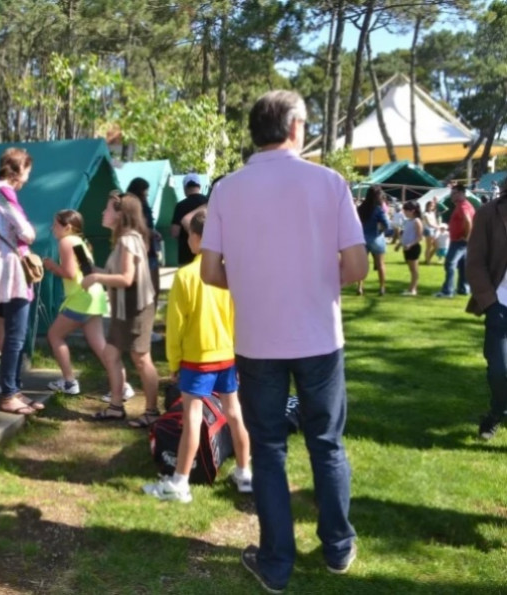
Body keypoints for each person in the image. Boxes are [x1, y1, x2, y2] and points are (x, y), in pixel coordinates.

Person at [201, 90, 366, 592]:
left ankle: (276, 562)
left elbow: (210, 271)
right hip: (318, 334)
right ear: (294, 127)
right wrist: (312, 281)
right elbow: (357, 266)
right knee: (326, 443)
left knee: (269, 450)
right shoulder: (328, 181)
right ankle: (337, 547)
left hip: (257, 339)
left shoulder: (227, 189)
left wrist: (255, 283)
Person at [143, 210, 252, 503]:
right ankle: (245, 473)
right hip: (227, 356)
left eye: (190, 234)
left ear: (197, 238)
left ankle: (180, 482)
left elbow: (175, 325)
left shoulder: (186, 275)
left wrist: (174, 362)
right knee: (234, 413)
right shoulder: (230, 272)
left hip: (196, 359)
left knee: (192, 418)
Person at [83, 192, 160, 428]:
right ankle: (116, 407)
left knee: (141, 358)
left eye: (107, 210)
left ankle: (152, 411)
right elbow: (115, 275)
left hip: (135, 308)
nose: (103, 213)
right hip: (123, 308)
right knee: (111, 354)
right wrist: (91, 268)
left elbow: (127, 279)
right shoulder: (126, 239)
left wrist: (96, 276)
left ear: (120, 215)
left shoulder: (128, 240)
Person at [0, 148, 44, 415]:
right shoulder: (4, 192)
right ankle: (9, 393)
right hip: (13, 270)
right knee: (16, 336)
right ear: (17, 170)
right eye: (26, 173)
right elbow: (27, 233)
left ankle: (15, 390)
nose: (27, 179)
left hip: (3, 268)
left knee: (13, 335)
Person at [43, 210, 110, 395]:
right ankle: (121, 385)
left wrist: (51, 266)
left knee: (54, 335)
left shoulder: (65, 242)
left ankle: (69, 382)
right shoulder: (79, 241)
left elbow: (71, 273)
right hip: (94, 296)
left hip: (81, 299)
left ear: (68, 227)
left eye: (55, 225)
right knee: (99, 344)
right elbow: (86, 270)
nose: (52, 228)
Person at [466, 180, 507, 440]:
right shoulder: (489, 213)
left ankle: (496, 413)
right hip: (500, 304)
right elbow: (475, 262)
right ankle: (498, 410)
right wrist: (489, 302)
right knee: (499, 370)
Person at [435, 183, 475, 298]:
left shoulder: (463, 206)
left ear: (462, 193)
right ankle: (463, 288)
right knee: (462, 265)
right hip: (462, 241)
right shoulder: (466, 205)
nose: (452, 196)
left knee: (450, 264)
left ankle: (447, 291)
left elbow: (468, 221)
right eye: (451, 193)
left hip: (459, 241)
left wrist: (466, 236)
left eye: (454, 193)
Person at [126, 177, 161, 296]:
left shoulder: (143, 206)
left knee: (153, 289)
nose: (146, 196)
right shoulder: (131, 207)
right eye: (145, 193)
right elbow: (135, 227)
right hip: (139, 253)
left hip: (149, 251)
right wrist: (150, 232)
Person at [356, 185, 391, 296]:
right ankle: (382, 288)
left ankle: (360, 287)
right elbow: (387, 225)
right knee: (381, 264)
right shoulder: (378, 209)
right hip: (376, 238)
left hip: (362, 238)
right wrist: (382, 230)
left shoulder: (360, 208)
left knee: (362, 264)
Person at [170, 174, 209, 266]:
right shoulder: (209, 202)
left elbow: (174, 232)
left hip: (186, 255)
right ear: (199, 186)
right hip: (207, 254)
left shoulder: (180, 206)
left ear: (185, 188)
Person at [398, 201, 424, 296]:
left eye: (406, 210)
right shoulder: (408, 221)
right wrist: (399, 244)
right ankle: (411, 288)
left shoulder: (417, 221)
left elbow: (419, 237)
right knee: (411, 270)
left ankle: (413, 290)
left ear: (412, 211)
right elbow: (405, 234)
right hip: (406, 247)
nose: (404, 212)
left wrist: (410, 245)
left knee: (414, 270)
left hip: (413, 247)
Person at [422, 200, 440, 265]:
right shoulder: (425, 214)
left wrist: (437, 226)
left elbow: (435, 221)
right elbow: (429, 223)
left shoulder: (432, 213)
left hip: (434, 230)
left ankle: (428, 258)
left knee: (436, 246)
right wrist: (437, 227)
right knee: (429, 246)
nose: (431, 207)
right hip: (428, 230)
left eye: (432, 206)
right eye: (430, 206)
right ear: (427, 206)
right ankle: (427, 261)